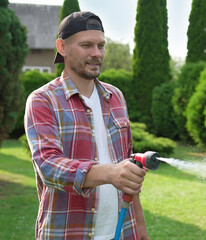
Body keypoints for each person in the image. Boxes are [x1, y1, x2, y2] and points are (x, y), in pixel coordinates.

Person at [24, 11, 149, 240]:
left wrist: (140, 227)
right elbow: (49, 166)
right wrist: (111, 172)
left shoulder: (116, 96)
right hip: (68, 233)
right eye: (86, 45)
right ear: (61, 47)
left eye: (101, 45)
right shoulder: (43, 100)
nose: (96, 54)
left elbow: (128, 168)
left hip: (122, 231)